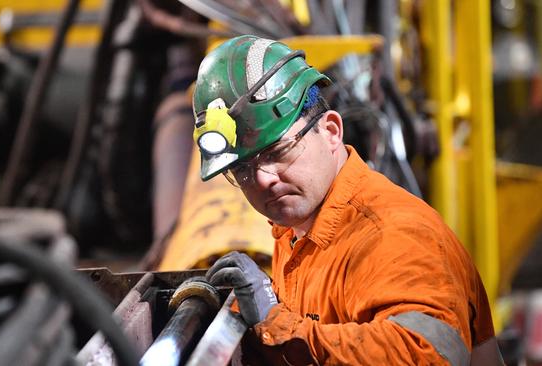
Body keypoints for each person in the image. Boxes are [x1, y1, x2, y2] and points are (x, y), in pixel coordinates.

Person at [192, 35, 503, 365]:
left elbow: (427, 356)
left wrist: (274, 322)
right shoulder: (298, 231)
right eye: (242, 169)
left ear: (330, 131)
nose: (262, 179)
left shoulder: (394, 233)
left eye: (278, 152)